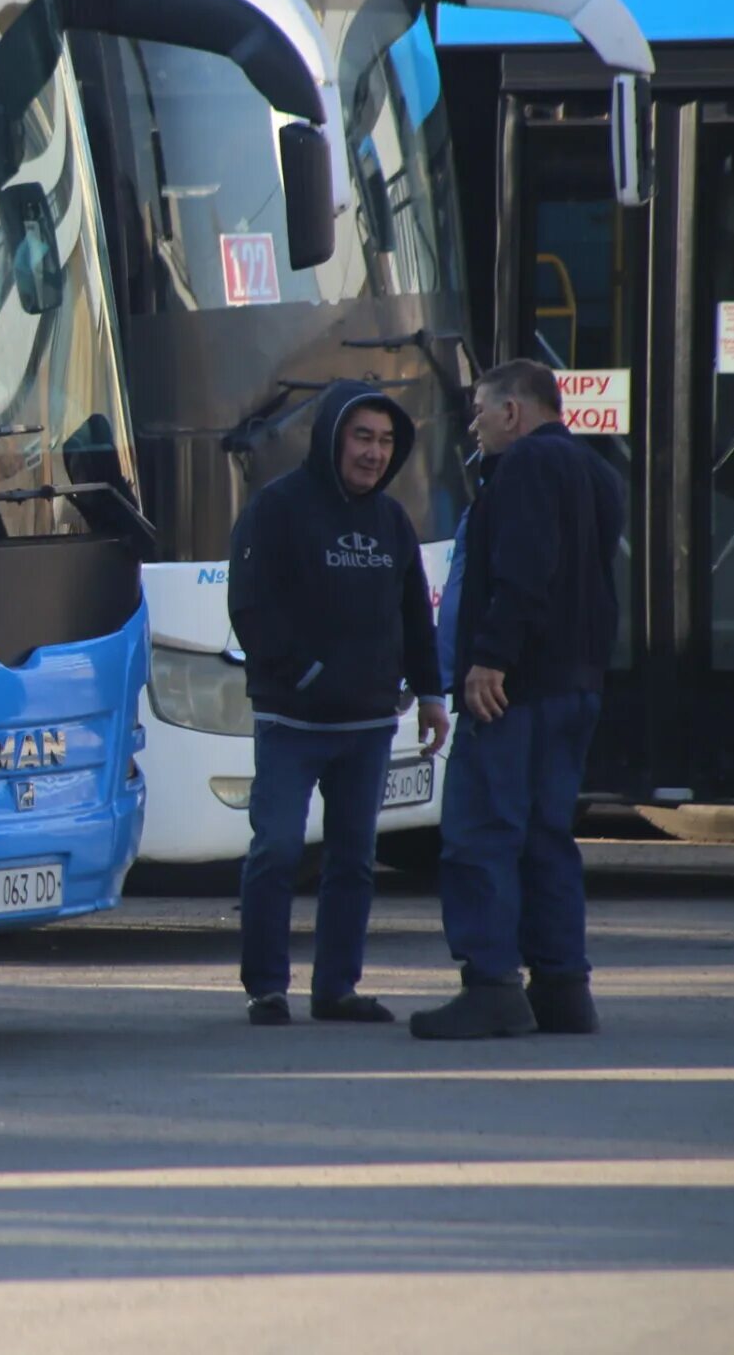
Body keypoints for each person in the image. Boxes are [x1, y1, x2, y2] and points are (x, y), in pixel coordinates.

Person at [411, 359, 625, 1040]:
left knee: (482, 831)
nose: (473, 424)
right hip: (576, 685)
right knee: (547, 835)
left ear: (513, 411)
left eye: (479, 409)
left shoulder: (527, 467)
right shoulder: (596, 472)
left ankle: (492, 984)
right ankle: (563, 988)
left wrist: (489, 659)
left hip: (516, 688)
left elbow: (524, 569)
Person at [227, 381, 449, 1025]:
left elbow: (415, 617)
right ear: (331, 437)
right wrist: (303, 675)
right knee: (276, 851)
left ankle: (337, 989)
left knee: (353, 861)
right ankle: (267, 987)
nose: (374, 454)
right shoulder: (277, 508)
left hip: (369, 724)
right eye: (362, 437)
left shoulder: (391, 522)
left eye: (385, 441)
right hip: (290, 721)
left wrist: (431, 694)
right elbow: (249, 607)